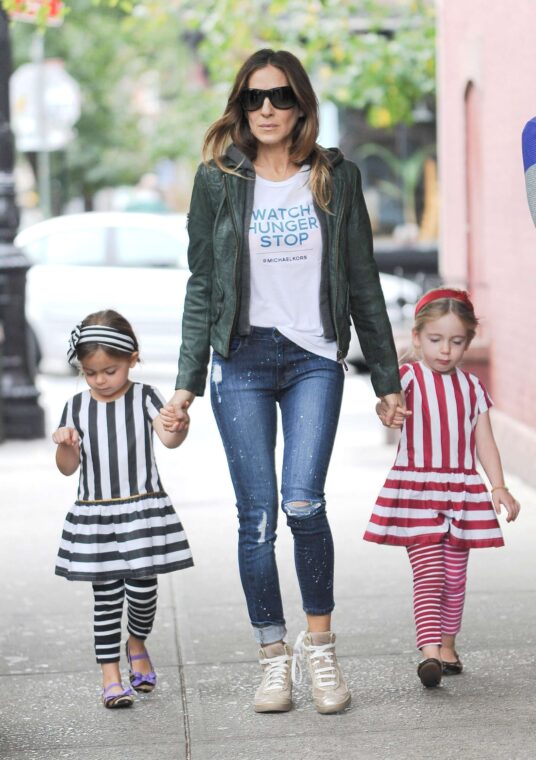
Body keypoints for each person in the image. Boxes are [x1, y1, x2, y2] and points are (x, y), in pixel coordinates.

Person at [162, 48, 404, 714]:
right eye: (252, 98)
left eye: (279, 97)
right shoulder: (217, 180)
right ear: (240, 107)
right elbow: (204, 284)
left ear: (301, 104)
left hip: (313, 358)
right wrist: (185, 383)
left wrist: (387, 377)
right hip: (239, 359)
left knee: (303, 503)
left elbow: (361, 279)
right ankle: (274, 658)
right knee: (257, 518)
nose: (265, 109)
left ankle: (320, 651)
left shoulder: (335, 177)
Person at [364, 288, 521, 687]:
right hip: (417, 490)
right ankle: (429, 652)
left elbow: (484, 439)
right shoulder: (409, 377)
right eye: (435, 340)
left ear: (468, 342)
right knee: (430, 573)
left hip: (461, 492)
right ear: (417, 337)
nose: (445, 351)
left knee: (455, 576)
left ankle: (448, 647)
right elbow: (387, 403)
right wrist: (387, 411)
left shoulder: (471, 388)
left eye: (456, 341)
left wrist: (498, 486)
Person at [52, 309, 193, 708]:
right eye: (91, 372)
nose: (100, 380)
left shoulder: (145, 395)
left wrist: (179, 425)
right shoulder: (76, 407)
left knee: (145, 592)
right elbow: (67, 469)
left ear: (132, 359)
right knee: (107, 598)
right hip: (97, 514)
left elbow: (168, 439)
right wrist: (66, 445)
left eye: (110, 370)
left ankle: (137, 641)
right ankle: (110, 676)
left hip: (142, 511)